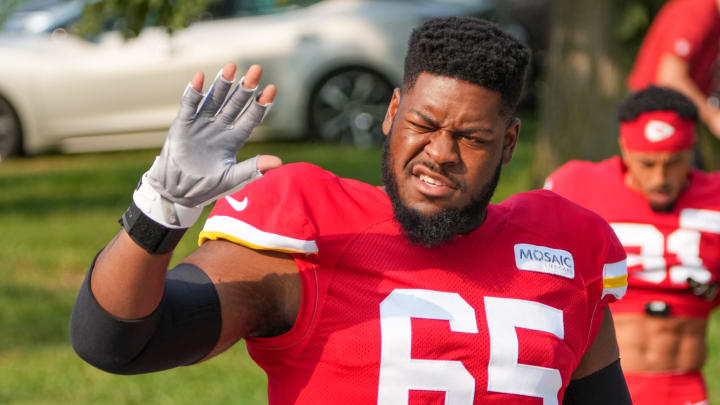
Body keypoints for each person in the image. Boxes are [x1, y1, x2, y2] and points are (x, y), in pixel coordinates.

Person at [70, 17, 633, 404]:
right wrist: (158, 212)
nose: (439, 154)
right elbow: (117, 343)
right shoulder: (312, 233)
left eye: (472, 138)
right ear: (392, 112)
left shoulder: (561, 249)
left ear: (508, 144)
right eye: (423, 125)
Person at [545, 85, 720, 405]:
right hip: (598, 387)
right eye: (647, 163)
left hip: (683, 389)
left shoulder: (715, 200)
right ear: (624, 149)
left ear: (692, 148)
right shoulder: (577, 187)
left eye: (674, 162)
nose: (660, 179)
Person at [627, 0, 720, 138]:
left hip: (677, 113)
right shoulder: (696, 11)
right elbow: (671, 79)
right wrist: (713, 117)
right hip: (655, 113)